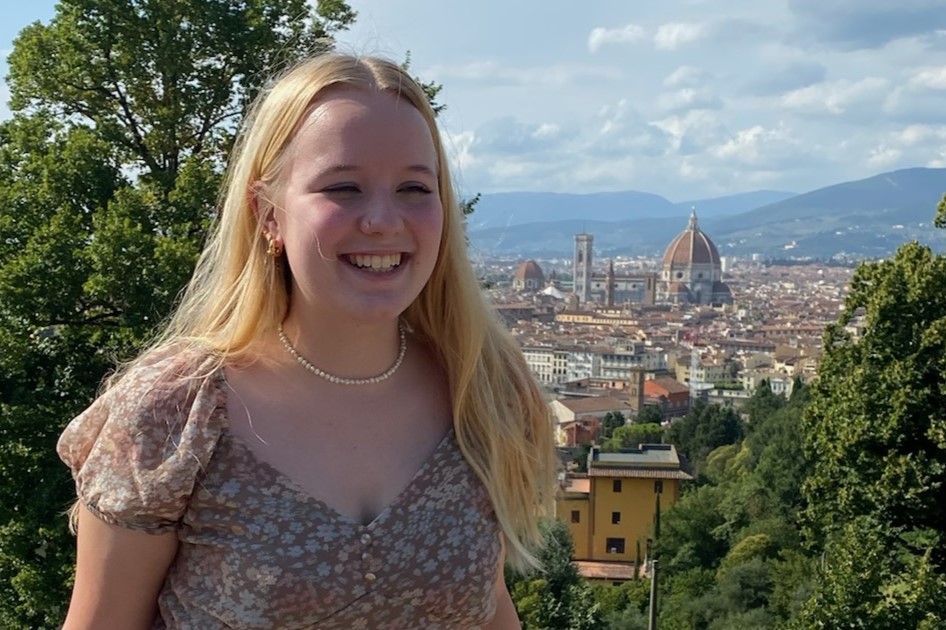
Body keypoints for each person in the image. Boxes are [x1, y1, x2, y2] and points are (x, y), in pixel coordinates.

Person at [57, 53, 558, 629]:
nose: (382, 220)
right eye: (344, 187)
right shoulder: (175, 410)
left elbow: (487, 605)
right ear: (267, 214)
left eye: (414, 188)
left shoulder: (482, 386)